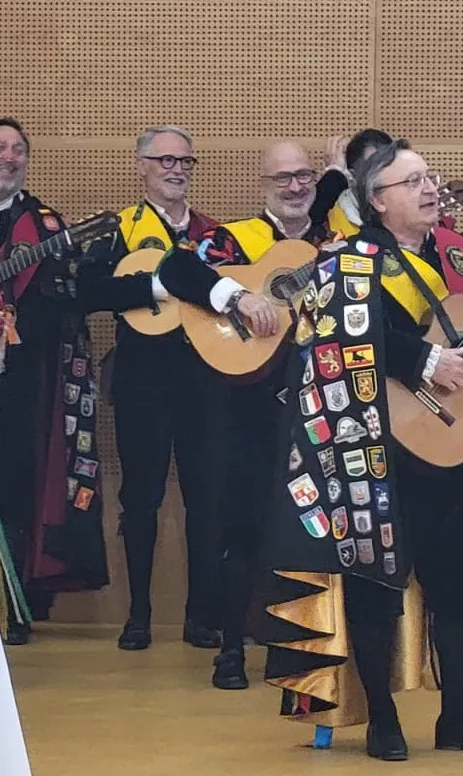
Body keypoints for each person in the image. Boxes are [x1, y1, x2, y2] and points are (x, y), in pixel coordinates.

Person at [260, 141, 463, 761]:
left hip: (457, 446)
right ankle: (383, 719)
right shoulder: (350, 260)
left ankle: (459, 716)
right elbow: (342, 336)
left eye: (429, 177)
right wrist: (424, 359)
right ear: (377, 199)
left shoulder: (455, 252)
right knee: (375, 584)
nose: (428, 188)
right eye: (412, 180)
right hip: (380, 450)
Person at [152, 138, 333, 688]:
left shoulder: (337, 244)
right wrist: (237, 298)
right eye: (282, 178)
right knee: (241, 528)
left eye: (303, 176)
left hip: (319, 407)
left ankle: (299, 648)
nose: (295, 187)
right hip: (247, 407)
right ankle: (231, 648)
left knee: (312, 528)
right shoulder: (235, 240)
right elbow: (175, 267)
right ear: (263, 185)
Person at [0, 117, 108, 641]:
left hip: (22, 380)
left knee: (13, 489)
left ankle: (9, 607)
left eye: (19, 150)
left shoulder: (47, 227)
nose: (9, 156)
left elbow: (66, 303)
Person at [77, 125, 224, 651]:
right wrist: (158, 286)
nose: (176, 169)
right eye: (164, 160)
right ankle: (137, 615)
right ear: (141, 166)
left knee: (206, 501)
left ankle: (200, 617)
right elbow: (88, 291)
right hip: (143, 382)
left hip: (206, 381)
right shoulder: (119, 229)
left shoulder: (214, 234)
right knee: (141, 500)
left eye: (184, 161)